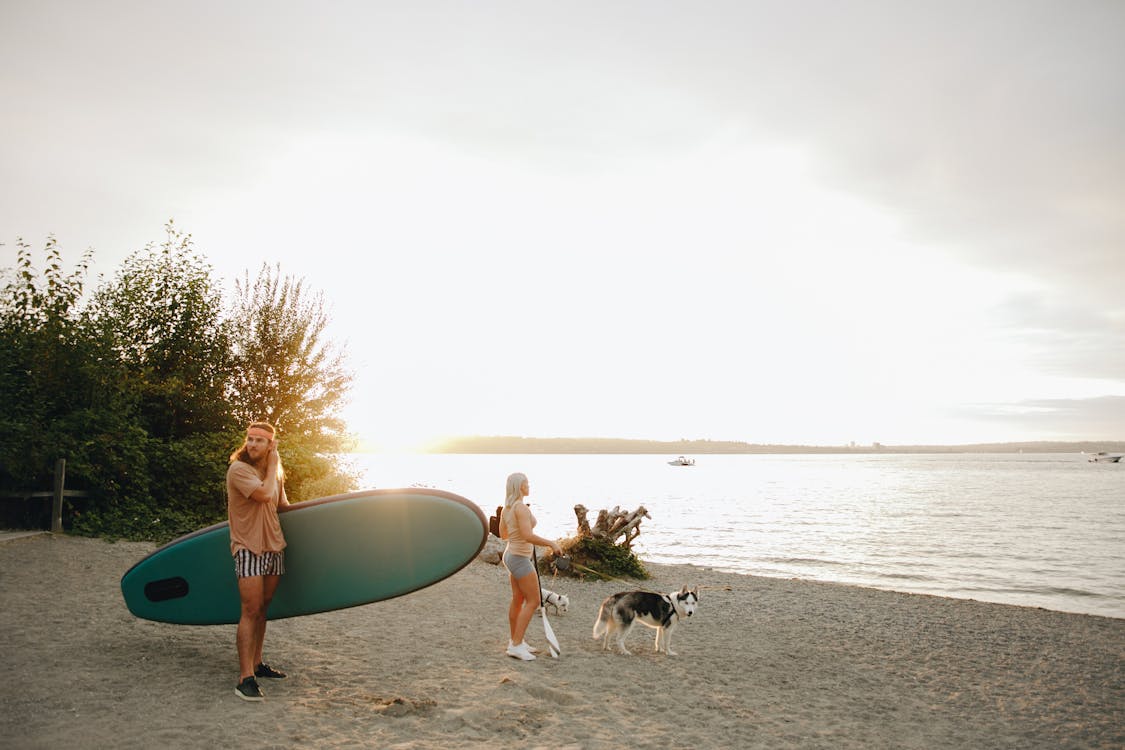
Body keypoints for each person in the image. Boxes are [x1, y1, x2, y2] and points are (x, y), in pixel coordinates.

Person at [227, 421, 290, 701]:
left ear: (270, 444)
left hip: (274, 545)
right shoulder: (239, 469)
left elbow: (283, 507)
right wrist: (274, 462)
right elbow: (263, 495)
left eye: (259, 441)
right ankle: (245, 678)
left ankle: (257, 663)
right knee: (250, 610)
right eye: (250, 439)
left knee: (264, 608)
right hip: (249, 547)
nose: (252, 444)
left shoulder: (273, 473)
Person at [499, 472, 563, 661]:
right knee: (533, 601)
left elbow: (503, 535)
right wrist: (551, 543)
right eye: (527, 483)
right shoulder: (520, 508)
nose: (529, 486)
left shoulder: (507, 508)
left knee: (518, 599)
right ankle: (516, 646)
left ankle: (516, 641)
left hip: (511, 555)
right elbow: (527, 535)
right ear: (520, 486)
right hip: (519, 558)